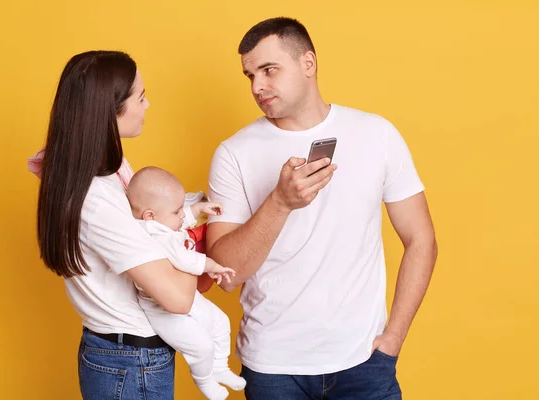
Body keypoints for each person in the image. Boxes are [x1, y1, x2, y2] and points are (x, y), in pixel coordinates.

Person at [206, 17, 438, 400]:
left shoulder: (376, 134)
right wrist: (280, 203)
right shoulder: (234, 153)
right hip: (274, 368)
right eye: (249, 76)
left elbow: (421, 239)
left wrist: (393, 338)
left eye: (269, 70)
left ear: (308, 64)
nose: (257, 86)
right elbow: (227, 276)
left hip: (365, 362)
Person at [33, 50, 198, 400]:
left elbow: (140, 226)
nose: (148, 105)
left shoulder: (90, 174)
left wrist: (193, 209)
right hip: (130, 360)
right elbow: (179, 299)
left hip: (117, 353)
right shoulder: (96, 199)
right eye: (140, 97)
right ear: (111, 110)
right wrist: (188, 237)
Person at [125, 166, 246, 400]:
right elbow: (185, 259)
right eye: (177, 210)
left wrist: (198, 208)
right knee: (201, 346)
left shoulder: (157, 223)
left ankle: (220, 367)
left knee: (219, 322)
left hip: (184, 295)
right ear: (150, 215)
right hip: (161, 309)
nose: (182, 215)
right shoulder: (156, 235)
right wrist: (214, 266)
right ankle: (205, 380)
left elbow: (176, 224)